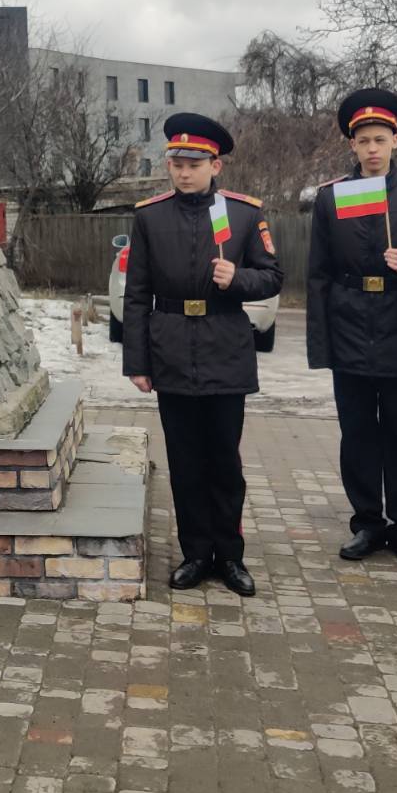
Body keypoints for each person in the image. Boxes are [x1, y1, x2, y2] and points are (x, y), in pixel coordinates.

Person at [123, 113, 283, 595]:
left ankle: (229, 556)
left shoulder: (244, 213)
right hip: (170, 349)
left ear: (216, 165)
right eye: (177, 163)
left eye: (194, 163)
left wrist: (237, 279)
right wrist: (138, 362)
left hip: (224, 350)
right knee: (186, 461)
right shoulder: (150, 216)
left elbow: (273, 275)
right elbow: (136, 294)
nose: (184, 172)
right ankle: (195, 553)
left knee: (224, 462)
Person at [306, 89, 397, 567]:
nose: (372, 148)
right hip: (349, 327)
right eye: (363, 140)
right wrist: (322, 344)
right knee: (358, 433)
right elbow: (319, 275)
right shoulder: (332, 198)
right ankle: (367, 521)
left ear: (395, 141)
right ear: (352, 145)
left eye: (380, 139)